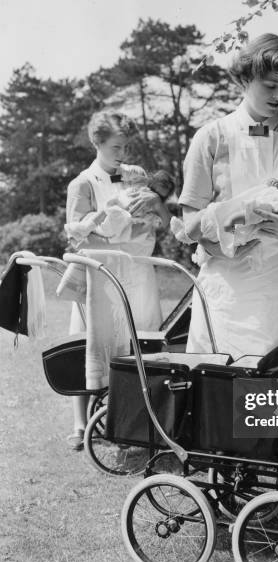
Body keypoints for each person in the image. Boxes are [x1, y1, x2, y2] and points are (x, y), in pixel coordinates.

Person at [178, 34, 278, 360]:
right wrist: (226, 242)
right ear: (245, 78)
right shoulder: (211, 138)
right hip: (230, 294)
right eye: (270, 86)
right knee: (225, 393)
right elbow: (190, 225)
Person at [64, 111, 172, 450]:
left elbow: (161, 223)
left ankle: (136, 419)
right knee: (91, 342)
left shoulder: (138, 178)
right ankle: (81, 424)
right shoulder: (83, 183)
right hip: (102, 274)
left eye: (126, 146)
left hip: (138, 273)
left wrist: (154, 207)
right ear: (97, 143)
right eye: (115, 146)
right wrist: (116, 233)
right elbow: (78, 236)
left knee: (141, 342)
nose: (122, 153)